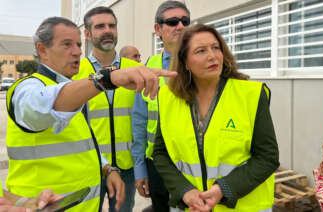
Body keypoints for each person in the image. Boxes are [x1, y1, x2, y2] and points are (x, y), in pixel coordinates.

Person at [5, 17, 176, 212]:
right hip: (38, 206)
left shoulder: (68, 89)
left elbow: (80, 144)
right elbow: (41, 106)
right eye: (67, 44)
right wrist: (106, 79)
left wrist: (106, 169)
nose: (77, 51)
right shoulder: (27, 88)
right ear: (42, 50)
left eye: (78, 45)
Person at [152, 24, 280, 211]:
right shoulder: (168, 98)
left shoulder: (251, 95)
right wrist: (184, 190)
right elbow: (160, 154)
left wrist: (224, 189)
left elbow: (267, 157)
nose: (212, 56)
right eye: (201, 51)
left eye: (216, 48)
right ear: (185, 62)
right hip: (190, 207)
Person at [72, 7, 144, 212]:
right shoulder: (77, 71)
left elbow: (142, 121)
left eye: (112, 25)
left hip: (126, 167)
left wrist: (140, 166)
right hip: (90, 166)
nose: (108, 30)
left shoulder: (134, 69)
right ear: (87, 34)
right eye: (100, 26)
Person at [131, 1, 191, 211]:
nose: (180, 26)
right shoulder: (149, 68)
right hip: (157, 164)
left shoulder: (203, 64)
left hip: (195, 161)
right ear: (158, 29)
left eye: (185, 21)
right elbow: (139, 121)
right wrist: (140, 170)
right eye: (173, 22)